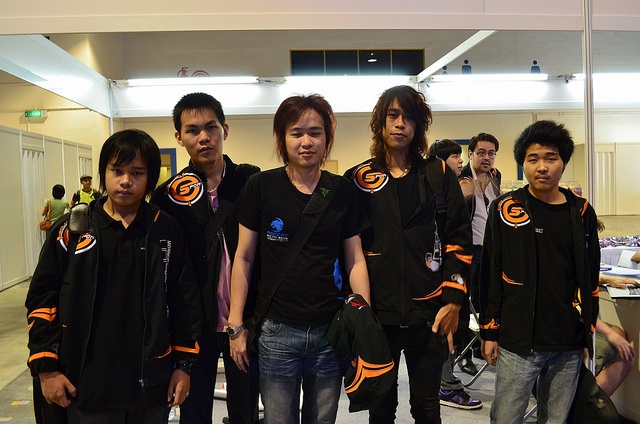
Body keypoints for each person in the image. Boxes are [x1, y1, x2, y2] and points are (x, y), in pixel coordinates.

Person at [26, 129, 202, 423]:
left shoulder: (165, 229)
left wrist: (183, 366)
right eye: (117, 170)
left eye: (137, 173)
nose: (125, 181)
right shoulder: (71, 230)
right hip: (84, 386)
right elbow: (42, 300)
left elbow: (185, 300)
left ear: (149, 178)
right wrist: (47, 368)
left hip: (151, 387)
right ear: (103, 172)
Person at [228, 94, 371, 424]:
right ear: (282, 138)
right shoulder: (261, 186)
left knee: (323, 420)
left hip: (330, 331)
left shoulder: (341, 190)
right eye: (296, 133)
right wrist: (235, 324)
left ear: (327, 139)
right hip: (277, 331)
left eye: (315, 133)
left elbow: (355, 259)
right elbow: (244, 257)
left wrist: (363, 321)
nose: (306, 142)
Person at [344, 85, 472, 423]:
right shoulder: (358, 179)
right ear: (380, 122)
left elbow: (459, 240)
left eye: (409, 118)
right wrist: (355, 311)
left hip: (429, 313)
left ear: (419, 126)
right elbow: (346, 248)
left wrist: (454, 299)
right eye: (393, 115)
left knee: (427, 408)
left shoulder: (437, 174)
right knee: (381, 408)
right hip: (377, 316)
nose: (400, 124)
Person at [479, 120, 600, 423]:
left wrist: (588, 335)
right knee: (506, 418)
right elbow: (491, 273)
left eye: (551, 158)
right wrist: (489, 331)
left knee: (556, 420)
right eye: (533, 159)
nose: (542, 167)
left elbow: (590, 276)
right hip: (518, 340)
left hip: (568, 342)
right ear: (523, 164)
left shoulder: (581, 211)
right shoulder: (505, 208)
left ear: (563, 162)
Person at [151, 92, 261, 424]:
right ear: (178, 137)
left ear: (225, 130)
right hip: (194, 324)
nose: (204, 137)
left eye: (211, 127)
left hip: (244, 319)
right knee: (195, 412)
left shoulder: (250, 181)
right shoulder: (168, 196)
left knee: (245, 411)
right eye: (192, 130)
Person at [428, 138, 482, 410]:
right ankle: (446, 385)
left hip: (465, 262)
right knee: (445, 326)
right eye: (455, 157)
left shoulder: (481, 181)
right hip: (442, 269)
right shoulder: (440, 186)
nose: (460, 161)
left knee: (457, 323)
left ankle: (447, 380)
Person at [457, 132, 502, 376]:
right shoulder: (460, 178)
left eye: (491, 153)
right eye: (482, 152)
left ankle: (480, 345)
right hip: (468, 248)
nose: (487, 157)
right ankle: (462, 354)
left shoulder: (495, 176)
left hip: (490, 249)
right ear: (471, 154)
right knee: (464, 304)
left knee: (485, 299)